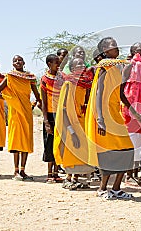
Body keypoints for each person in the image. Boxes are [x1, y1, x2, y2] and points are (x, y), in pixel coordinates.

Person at [85, 37, 138, 200]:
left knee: (127, 150)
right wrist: (100, 118)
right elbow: (99, 92)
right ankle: (102, 188)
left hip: (116, 113)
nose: (116, 47)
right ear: (104, 51)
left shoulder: (118, 66)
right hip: (104, 115)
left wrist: (134, 111)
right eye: (112, 45)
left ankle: (116, 188)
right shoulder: (104, 66)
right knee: (108, 153)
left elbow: (121, 93)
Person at [0, 55, 41, 181]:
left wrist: (35, 103)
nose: (17, 62)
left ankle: (23, 170)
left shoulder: (30, 77)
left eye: (19, 60)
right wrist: (11, 100)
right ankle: (15, 171)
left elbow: (37, 95)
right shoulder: (9, 76)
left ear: (24, 62)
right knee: (16, 141)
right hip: (14, 113)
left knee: (25, 140)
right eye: (15, 60)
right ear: (12, 64)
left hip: (26, 112)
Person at [54, 57, 94, 190]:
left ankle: (76, 178)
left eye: (83, 64)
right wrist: (71, 131)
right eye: (78, 65)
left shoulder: (85, 84)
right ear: (71, 69)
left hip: (81, 122)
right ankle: (68, 178)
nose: (81, 67)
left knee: (82, 151)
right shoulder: (68, 84)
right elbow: (64, 109)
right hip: (70, 123)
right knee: (71, 149)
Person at [122, 42, 141, 187]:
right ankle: (128, 175)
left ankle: (137, 174)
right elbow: (121, 91)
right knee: (132, 142)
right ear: (133, 51)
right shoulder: (128, 67)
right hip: (130, 110)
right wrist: (132, 110)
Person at [40, 54, 64, 183]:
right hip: (50, 114)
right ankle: (49, 173)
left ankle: (56, 172)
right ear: (49, 64)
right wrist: (46, 121)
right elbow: (43, 102)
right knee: (49, 144)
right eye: (56, 63)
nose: (58, 65)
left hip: (60, 113)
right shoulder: (44, 79)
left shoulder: (62, 78)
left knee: (58, 143)